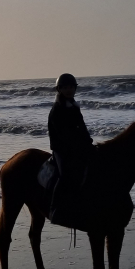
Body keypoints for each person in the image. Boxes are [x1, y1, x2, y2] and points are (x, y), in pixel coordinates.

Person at [48, 73, 94, 227]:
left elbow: (82, 128)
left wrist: (89, 143)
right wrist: (77, 147)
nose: (68, 90)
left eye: (71, 87)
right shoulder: (57, 109)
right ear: (59, 89)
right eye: (65, 87)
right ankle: (55, 210)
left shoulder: (74, 106)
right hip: (61, 149)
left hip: (75, 148)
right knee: (65, 174)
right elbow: (63, 134)